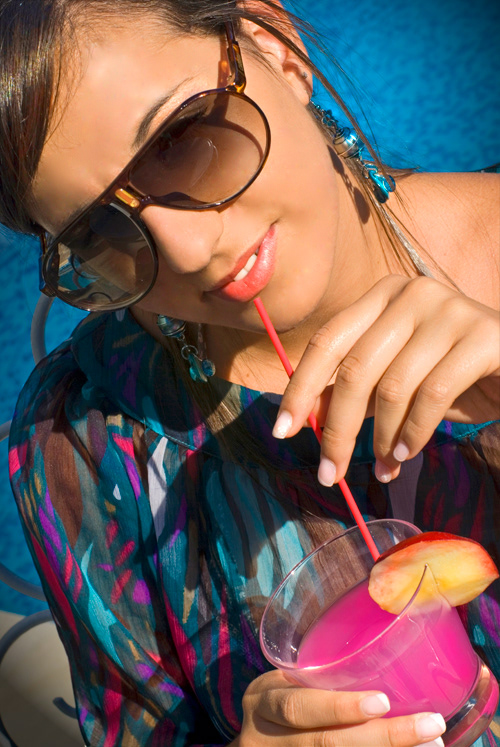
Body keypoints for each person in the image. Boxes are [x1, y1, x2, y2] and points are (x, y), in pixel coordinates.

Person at [2, 0, 499, 745]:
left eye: (179, 141)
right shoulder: (86, 437)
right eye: (102, 231)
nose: (187, 249)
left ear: (276, 49)